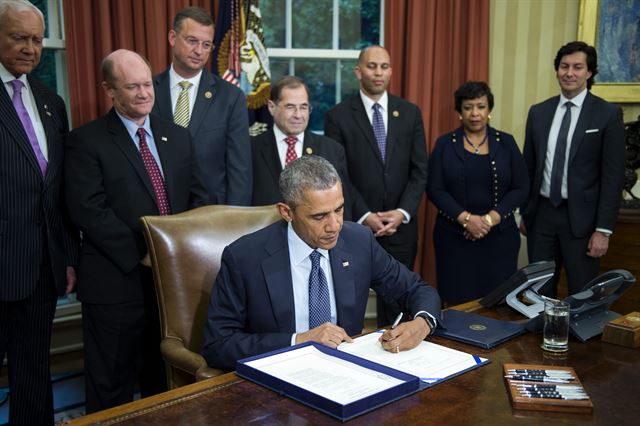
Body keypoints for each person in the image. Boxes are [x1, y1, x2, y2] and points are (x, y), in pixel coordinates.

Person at [65, 49, 209, 412]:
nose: (144, 93)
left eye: (147, 84)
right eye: (132, 87)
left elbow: (197, 197)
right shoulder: (87, 141)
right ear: (109, 90)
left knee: (163, 383)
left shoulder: (176, 136)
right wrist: (144, 252)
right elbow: (88, 209)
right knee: (111, 385)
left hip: (172, 285)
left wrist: (184, 250)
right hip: (116, 281)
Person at [202, 155, 441, 370]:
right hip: (280, 379)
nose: (335, 225)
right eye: (319, 216)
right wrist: (298, 341)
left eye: (339, 210)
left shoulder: (358, 241)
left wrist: (422, 324)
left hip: (347, 374)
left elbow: (416, 290)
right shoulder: (244, 257)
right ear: (287, 212)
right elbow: (218, 345)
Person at [0, 1, 78, 423]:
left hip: (41, 268)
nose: (30, 49)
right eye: (19, 38)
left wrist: (66, 255)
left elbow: (58, 190)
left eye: (36, 40)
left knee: (33, 377)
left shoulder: (50, 101)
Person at [324, 45, 428, 327]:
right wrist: (365, 215)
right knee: (348, 302)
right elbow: (338, 175)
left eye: (384, 66)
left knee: (398, 304)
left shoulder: (410, 113)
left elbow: (420, 170)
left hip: (401, 228)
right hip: (355, 228)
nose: (378, 72)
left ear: (391, 71)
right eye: (372, 66)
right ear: (359, 71)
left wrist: (402, 212)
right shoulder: (338, 116)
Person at [521, 41, 625, 296]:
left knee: (582, 294)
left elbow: (613, 176)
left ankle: (577, 338)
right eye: (564, 66)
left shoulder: (607, 114)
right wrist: (525, 212)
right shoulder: (539, 112)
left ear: (589, 72)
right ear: (556, 70)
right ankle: (539, 337)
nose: (570, 73)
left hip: (584, 221)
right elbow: (529, 167)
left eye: (577, 67)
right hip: (542, 216)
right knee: (538, 293)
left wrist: (603, 230)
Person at [427, 82, 529, 305]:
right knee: (457, 304)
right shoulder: (444, 144)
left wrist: (488, 220)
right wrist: (466, 220)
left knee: (498, 304)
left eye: (480, 106)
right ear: (459, 112)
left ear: (489, 110)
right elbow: (435, 188)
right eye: (468, 107)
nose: (475, 113)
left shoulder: (507, 142)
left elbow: (521, 187)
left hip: (500, 239)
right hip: (453, 239)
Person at [153, 6, 252, 205]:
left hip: (212, 214)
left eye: (207, 45)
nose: (199, 51)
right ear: (173, 38)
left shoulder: (230, 97)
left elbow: (239, 168)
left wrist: (236, 222)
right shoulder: (148, 91)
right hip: (159, 211)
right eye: (192, 41)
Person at [252, 75, 352, 220]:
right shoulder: (251, 149)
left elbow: (343, 208)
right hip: (263, 235)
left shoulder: (332, 151)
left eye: (303, 107)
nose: (298, 115)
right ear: (271, 107)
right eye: (290, 107)